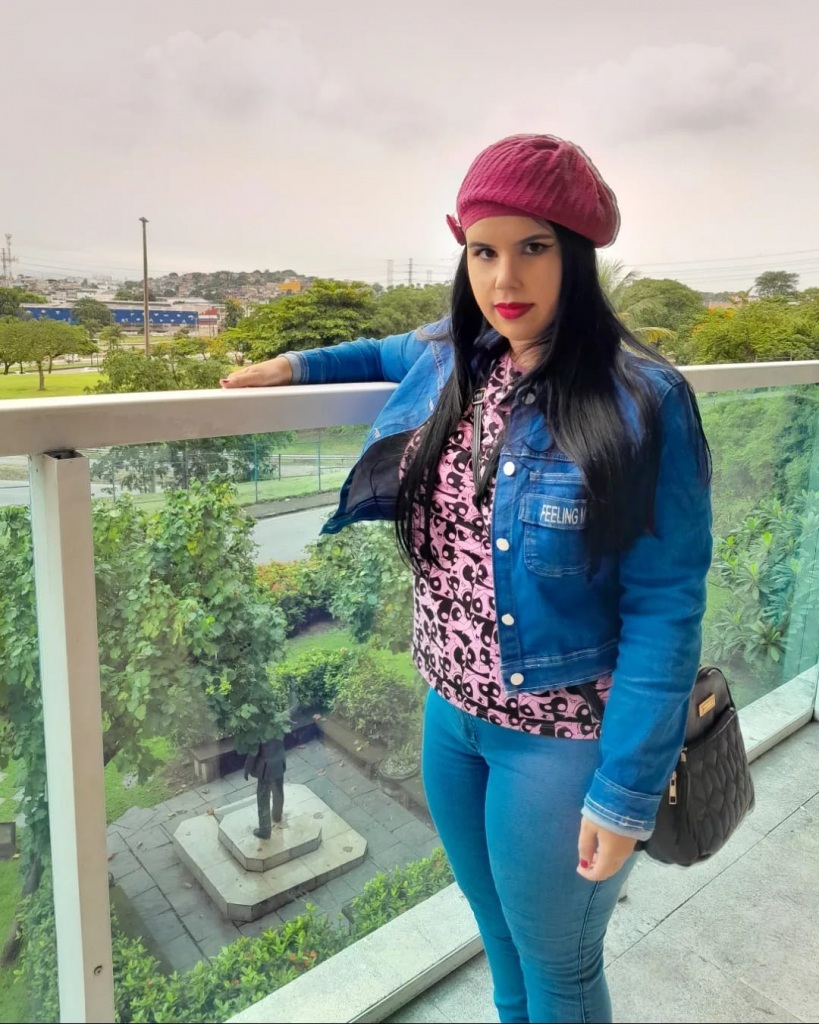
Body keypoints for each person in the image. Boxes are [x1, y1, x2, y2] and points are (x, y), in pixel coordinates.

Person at [221, 134, 712, 1024]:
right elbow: (381, 349)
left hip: (561, 738)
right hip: (449, 718)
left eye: (532, 247)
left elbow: (664, 606)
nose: (503, 278)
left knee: (559, 970)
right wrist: (294, 367)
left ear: (576, 254)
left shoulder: (643, 397)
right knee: (502, 951)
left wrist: (624, 791)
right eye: (482, 251)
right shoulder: (458, 354)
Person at [243, 737, 286, 839]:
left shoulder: (259, 731)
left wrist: (247, 769)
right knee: (278, 792)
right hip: (279, 764)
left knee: (263, 799)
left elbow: (253, 752)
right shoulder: (278, 727)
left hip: (265, 769)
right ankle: (277, 816)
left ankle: (264, 830)